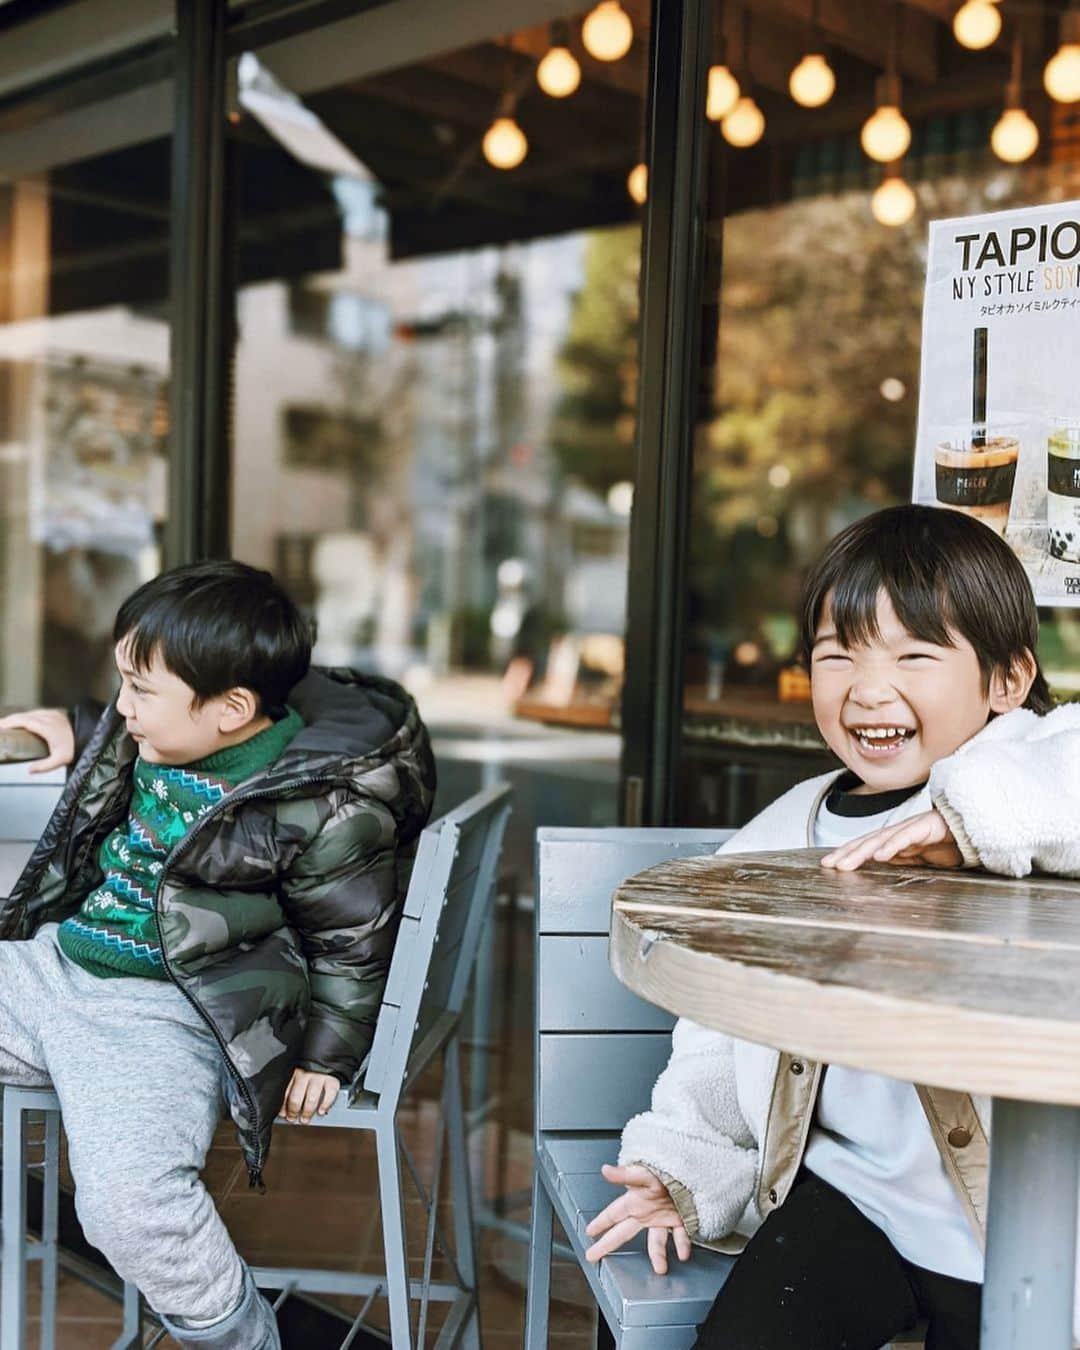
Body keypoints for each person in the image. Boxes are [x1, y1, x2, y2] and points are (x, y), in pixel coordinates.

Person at [584, 504, 1080, 1350]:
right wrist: (683, 1161)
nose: (869, 688)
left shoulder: (1026, 779)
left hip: (1033, 1217)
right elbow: (717, 1027)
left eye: (915, 656)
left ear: (1007, 681)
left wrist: (967, 822)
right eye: (837, 654)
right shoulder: (784, 831)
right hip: (852, 1197)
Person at [0, 560, 436, 1350]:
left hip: (165, 1013)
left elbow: (351, 940)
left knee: (130, 1205)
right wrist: (78, 721)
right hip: (57, 968)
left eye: (140, 691)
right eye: (120, 686)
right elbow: (138, 721)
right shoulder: (167, 730)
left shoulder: (319, 806)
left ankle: (234, 1332)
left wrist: (327, 1059)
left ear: (233, 709)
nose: (123, 709)